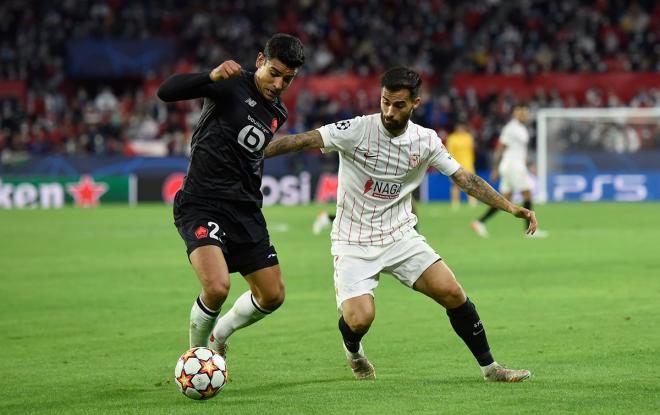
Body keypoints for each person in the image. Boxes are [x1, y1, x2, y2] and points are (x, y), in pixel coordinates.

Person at [265, 67, 535, 382]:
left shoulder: (425, 140)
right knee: (359, 319)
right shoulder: (356, 129)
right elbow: (303, 140)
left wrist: (510, 207)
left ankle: (491, 368)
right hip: (353, 241)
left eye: (398, 105)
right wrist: (254, 151)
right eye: (385, 102)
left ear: (415, 104)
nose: (389, 112)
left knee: (452, 292)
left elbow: (465, 178)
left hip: (400, 236)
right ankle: (354, 351)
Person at [157, 33, 305, 359]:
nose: (280, 84)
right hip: (201, 201)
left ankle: (220, 335)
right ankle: (196, 359)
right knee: (217, 287)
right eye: (275, 73)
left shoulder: (278, 111)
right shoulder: (230, 82)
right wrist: (209, 75)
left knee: (272, 295)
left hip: (245, 210)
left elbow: (250, 154)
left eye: (288, 78)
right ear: (259, 61)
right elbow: (166, 91)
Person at [471, 106, 548, 238]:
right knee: (527, 194)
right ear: (515, 114)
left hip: (515, 165)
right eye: (520, 112)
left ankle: (479, 222)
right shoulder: (511, 128)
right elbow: (500, 147)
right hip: (513, 166)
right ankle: (529, 231)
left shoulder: (522, 129)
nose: (523, 114)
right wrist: (495, 168)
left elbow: (520, 150)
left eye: (525, 112)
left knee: (504, 200)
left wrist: (529, 165)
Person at [446, 120, 477, 209]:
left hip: (468, 164)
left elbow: (472, 150)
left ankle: (472, 202)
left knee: (470, 183)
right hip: (456, 164)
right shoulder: (452, 138)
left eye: (462, 127)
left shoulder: (468, 137)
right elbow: (449, 151)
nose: (461, 129)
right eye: (459, 127)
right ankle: (455, 203)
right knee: (455, 184)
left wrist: (472, 161)